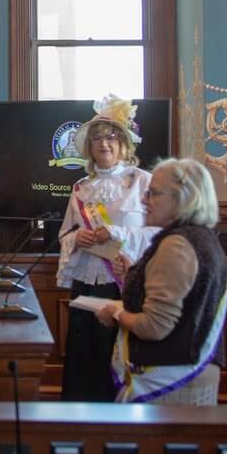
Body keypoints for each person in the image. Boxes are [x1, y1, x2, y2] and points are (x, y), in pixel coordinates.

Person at [92, 158, 227, 405]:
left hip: (170, 385)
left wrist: (115, 312)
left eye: (153, 193)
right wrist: (133, 274)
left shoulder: (177, 245)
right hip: (187, 377)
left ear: (183, 199)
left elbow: (154, 327)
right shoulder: (202, 238)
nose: (144, 200)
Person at [54, 96, 157, 402]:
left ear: (124, 143)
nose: (104, 144)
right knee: (85, 354)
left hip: (124, 284)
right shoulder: (80, 188)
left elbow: (156, 234)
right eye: (97, 138)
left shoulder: (143, 183)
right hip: (87, 283)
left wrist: (114, 232)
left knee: (116, 355)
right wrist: (77, 240)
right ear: (88, 147)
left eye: (111, 136)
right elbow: (65, 233)